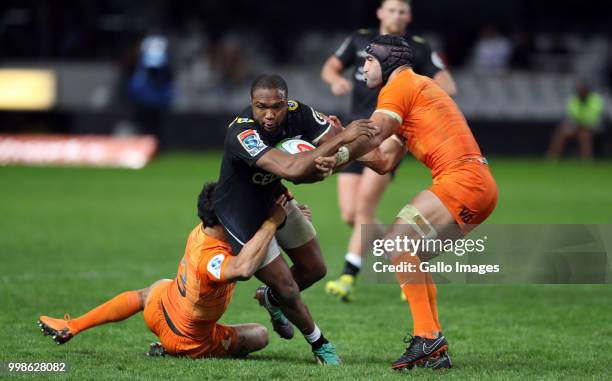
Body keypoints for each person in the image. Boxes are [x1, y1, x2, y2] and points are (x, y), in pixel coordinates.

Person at [315, 35, 498, 370]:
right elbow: (383, 160)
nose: (363, 67)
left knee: (396, 243)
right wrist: (340, 142)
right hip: (478, 187)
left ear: (386, 62)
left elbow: (374, 131)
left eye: (368, 61)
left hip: (461, 180)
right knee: (408, 253)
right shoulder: (414, 89)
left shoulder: (399, 87)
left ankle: (428, 338)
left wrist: (337, 149)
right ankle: (434, 347)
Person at [211, 74, 374, 364]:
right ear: (251, 103)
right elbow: (293, 169)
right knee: (287, 285)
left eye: (277, 106)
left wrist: (331, 161)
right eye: (262, 107)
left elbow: (340, 149)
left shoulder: (300, 114)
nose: (270, 114)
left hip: (275, 198)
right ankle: (320, 344)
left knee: (315, 270)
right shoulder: (242, 132)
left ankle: (270, 299)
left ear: (287, 102)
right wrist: (340, 142)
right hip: (241, 214)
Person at [37, 183, 288, 359]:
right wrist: (273, 222)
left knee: (155, 288)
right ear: (224, 217)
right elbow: (244, 268)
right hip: (187, 340)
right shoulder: (212, 259)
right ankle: (171, 350)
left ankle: (73, 326)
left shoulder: (203, 229)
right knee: (259, 335)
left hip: (161, 307)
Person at [321, 0, 457, 302]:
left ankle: (347, 277)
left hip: (386, 138)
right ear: (380, 12)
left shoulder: (416, 49)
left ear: (409, 16)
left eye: (402, 10)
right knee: (351, 214)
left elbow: (448, 84)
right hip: (357, 135)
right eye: (391, 9)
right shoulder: (360, 40)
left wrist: (422, 102)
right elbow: (330, 67)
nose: (396, 15)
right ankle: (408, 260)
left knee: (365, 210)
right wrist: (335, 81)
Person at [547, 81, 605, 160]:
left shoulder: (596, 100)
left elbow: (593, 117)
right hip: (577, 126)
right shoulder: (573, 100)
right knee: (561, 133)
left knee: (584, 135)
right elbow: (573, 116)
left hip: (594, 127)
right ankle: (552, 158)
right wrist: (578, 123)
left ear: (588, 91)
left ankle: (586, 160)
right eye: (580, 90)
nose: (581, 92)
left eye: (583, 90)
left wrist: (582, 122)